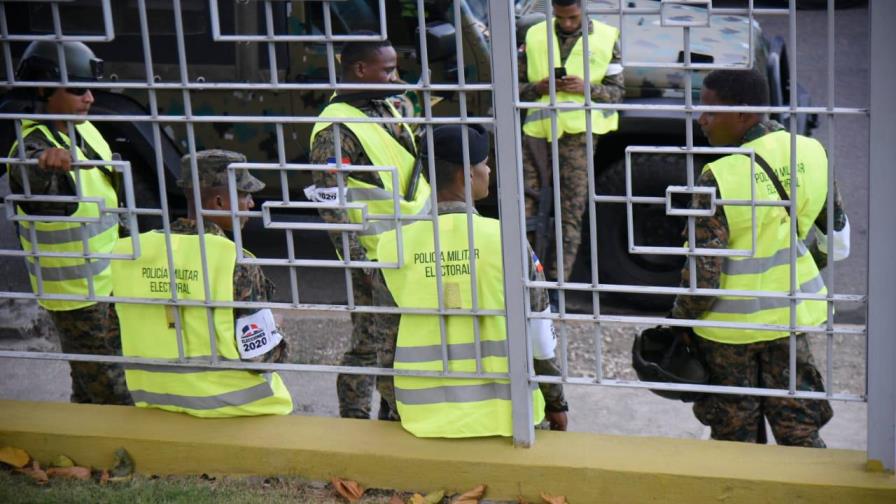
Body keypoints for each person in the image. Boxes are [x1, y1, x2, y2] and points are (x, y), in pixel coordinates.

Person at [670, 69, 850, 447]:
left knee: (736, 440)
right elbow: (838, 240)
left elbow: (703, 281)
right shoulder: (813, 153)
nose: (700, 120)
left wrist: (678, 323)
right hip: (791, 320)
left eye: (710, 111)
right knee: (800, 434)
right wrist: (798, 263)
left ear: (743, 114)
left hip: (727, 334)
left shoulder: (719, 176)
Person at [376, 125, 569, 437]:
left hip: (422, 420)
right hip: (506, 417)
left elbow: (384, 342)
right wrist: (556, 402)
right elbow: (539, 337)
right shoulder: (507, 241)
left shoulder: (392, 245)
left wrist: (396, 409)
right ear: (466, 174)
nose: (489, 169)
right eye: (484, 163)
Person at [110, 150, 293, 418]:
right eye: (244, 195)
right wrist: (277, 329)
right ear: (219, 201)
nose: (251, 203)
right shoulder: (234, 260)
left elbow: (113, 335)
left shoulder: (133, 252)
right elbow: (262, 358)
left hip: (157, 400)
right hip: (234, 408)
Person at [306, 38, 431, 420]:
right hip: (374, 257)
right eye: (387, 70)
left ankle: (393, 418)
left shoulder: (382, 106)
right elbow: (331, 203)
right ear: (360, 70)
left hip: (408, 249)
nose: (396, 78)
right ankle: (356, 421)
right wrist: (360, 262)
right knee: (369, 343)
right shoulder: (336, 128)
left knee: (403, 343)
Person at [6, 40, 132, 405]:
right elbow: (33, 181)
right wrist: (44, 164)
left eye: (89, 87)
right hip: (77, 297)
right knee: (110, 389)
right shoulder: (33, 148)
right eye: (77, 89)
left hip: (108, 283)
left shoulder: (83, 130)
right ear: (43, 90)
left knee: (92, 380)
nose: (89, 97)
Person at [519, 0, 624, 284]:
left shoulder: (607, 36)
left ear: (583, 9)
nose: (567, 23)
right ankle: (528, 279)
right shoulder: (534, 34)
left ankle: (558, 284)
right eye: (561, 17)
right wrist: (537, 88)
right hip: (537, 133)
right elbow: (511, 87)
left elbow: (617, 92)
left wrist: (586, 88)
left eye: (573, 17)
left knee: (571, 211)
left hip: (579, 136)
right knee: (526, 209)